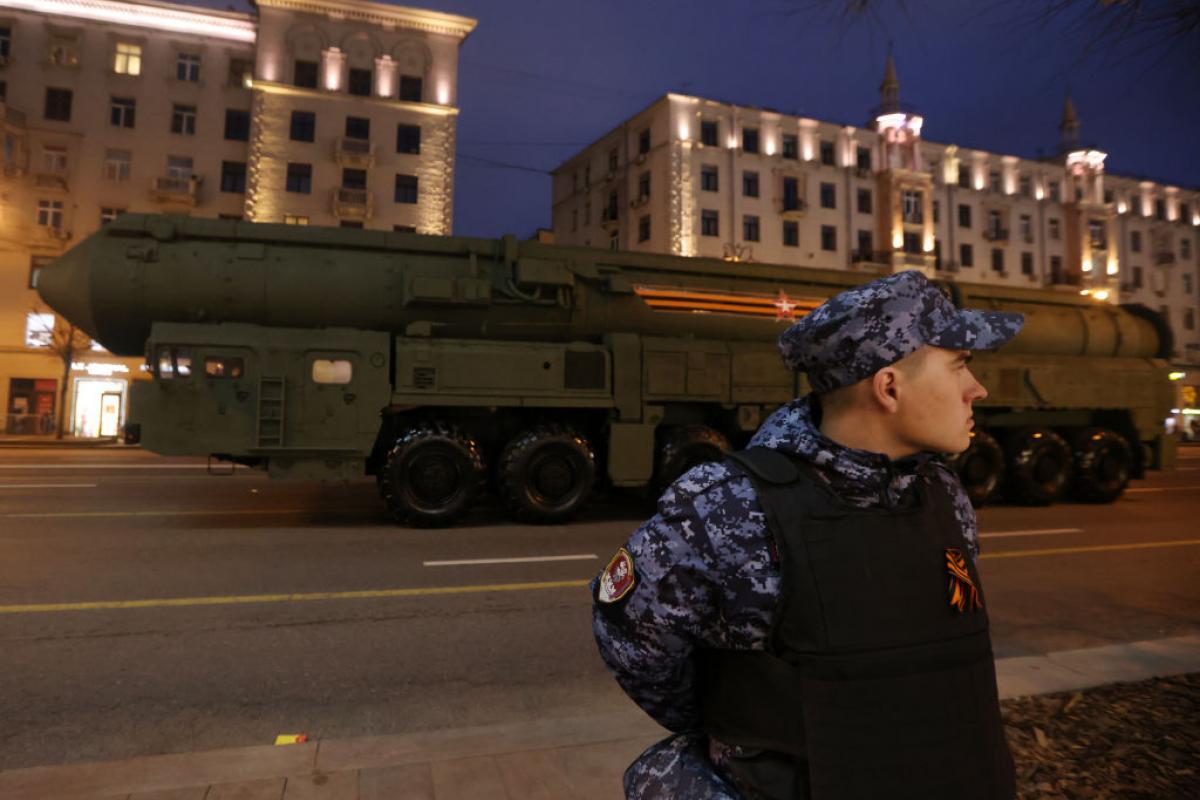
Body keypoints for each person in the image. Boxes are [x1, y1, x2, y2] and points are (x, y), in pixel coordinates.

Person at [591, 270, 1024, 800]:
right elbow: (636, 642)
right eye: (959, 366)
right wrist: (749, 725)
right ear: (889, 387)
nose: (976, 389)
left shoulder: (941, 493)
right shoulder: (728, 503)